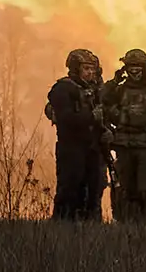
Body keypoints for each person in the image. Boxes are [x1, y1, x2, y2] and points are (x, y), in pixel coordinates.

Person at [97, 49, 146, 220]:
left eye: (138, 66)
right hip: (124, 145)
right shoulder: (119, 89)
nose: (134, 71)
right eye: (131, 67)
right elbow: (101, 97)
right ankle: (129, 227)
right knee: (126, 190)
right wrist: (114, 81)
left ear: (145, 67)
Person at [46, 48, 109, 221]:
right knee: (70, 190)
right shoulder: (63, 89)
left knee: (95, 190)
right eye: (86, 69)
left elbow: (106, 114)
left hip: (93, 148)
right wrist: (90, 117)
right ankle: (64, 227)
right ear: (76, 69)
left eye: (92, 69)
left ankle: (92, 228)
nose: (90, 73)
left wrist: (107, 131)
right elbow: (66, 118)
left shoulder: (96, 91)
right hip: (71, 148)